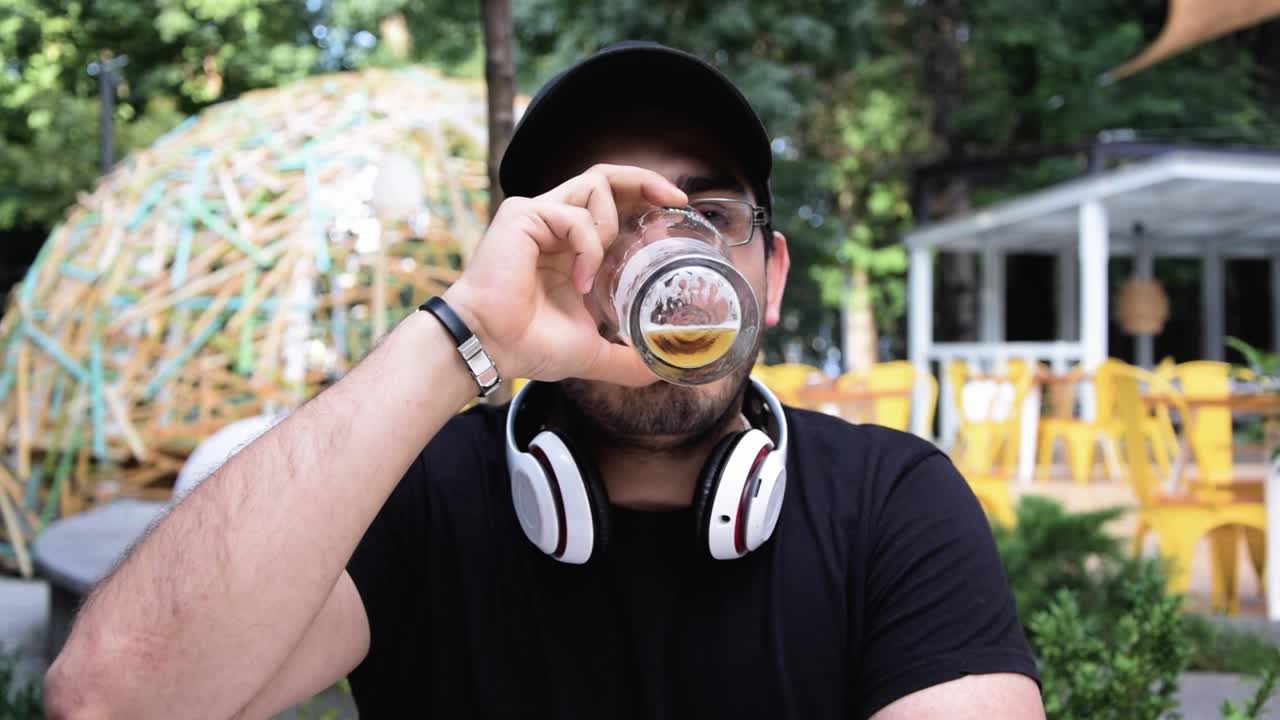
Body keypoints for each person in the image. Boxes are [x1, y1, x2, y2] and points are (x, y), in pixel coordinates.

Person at [44, 42, 1043, 719]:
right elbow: (108, 701)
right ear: (543, 251)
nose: (663, 253)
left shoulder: (893, 501)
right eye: (605, 216)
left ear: (767, 277)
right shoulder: (419, 498)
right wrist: (459, 338)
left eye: (708, 212)